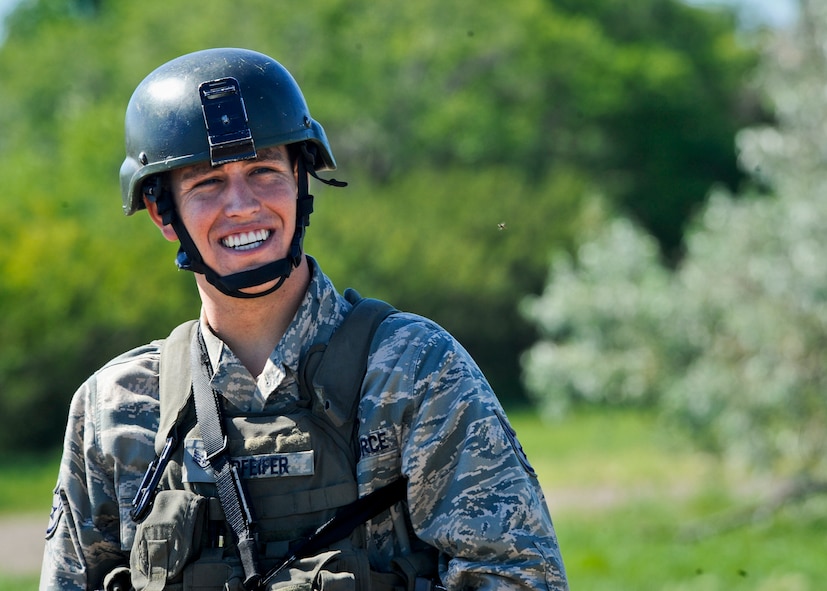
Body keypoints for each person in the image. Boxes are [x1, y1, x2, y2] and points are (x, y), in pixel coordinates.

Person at [40, 47, 568, 591]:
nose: (242, 205)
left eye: (264, 171)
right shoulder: (114, 407)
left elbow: (518, 576)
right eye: (207, 184)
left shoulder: (414, 370)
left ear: (300, 181)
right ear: (161, 211)